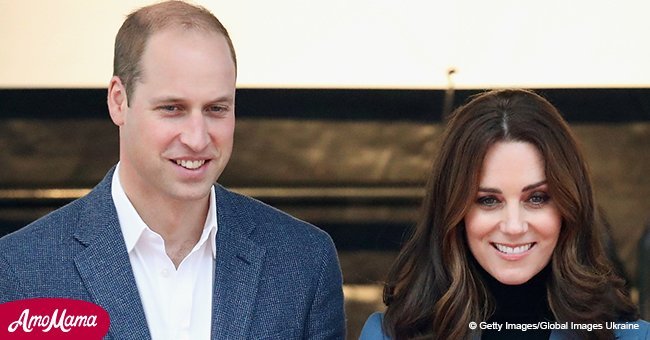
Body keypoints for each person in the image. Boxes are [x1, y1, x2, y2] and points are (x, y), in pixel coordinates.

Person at [0, 1, 345, 339]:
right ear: (119, 101)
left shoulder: (303, 262)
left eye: (216, 108)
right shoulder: (20, 270)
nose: (197, 139)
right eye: (172, 108)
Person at [359, 89, 649, 339]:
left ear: (569, 208)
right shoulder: (388, 335)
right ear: (452, 210)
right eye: (488, 200)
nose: (513, 226)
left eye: (536, 198)